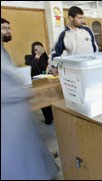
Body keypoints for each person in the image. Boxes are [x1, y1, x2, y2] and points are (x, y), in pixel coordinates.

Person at [1, 18, 59, 180]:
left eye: (9, 28)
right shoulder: (28, 56)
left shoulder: (3, 50)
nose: (8, 31)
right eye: (4, 28)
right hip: (8, 110)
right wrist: (22, 91)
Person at [49, 6, 98, 75]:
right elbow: (56, 53)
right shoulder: (64, 35)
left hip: (90, 67)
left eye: (82, 18)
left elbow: (95, 49)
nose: (82, 20)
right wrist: (54, 66)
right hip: (76, 70)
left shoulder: (88, 30)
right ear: (71, 18)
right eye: (79, 18)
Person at [25, 41, 54, 125]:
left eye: (40, 49)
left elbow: (50, 68)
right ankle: (48, 119)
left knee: (51, 99)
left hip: (47, 80)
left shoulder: (46, 57)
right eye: (35, 50)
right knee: (43, 101)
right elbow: (32, 67)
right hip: (36, 82)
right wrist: (38, 55)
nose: (38, 51)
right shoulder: (28, 57)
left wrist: (50, 66)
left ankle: (53, 116)